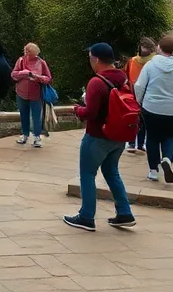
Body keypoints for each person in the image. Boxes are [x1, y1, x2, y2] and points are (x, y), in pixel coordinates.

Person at [64, 43, 135, 232]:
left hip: (97, 136)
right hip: (119, 136)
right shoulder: (123, 77)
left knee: (87, 174)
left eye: (90, 58)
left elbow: (92, 113)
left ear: (96, 60)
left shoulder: (96, 82)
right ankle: (124, 213)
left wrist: (78, 110)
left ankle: (86, 216)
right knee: (112, 172)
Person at [133, 35, 173, 183]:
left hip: (151, 108)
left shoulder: (150, 65)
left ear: (159, 47)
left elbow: (139, 86)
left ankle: (153, 170)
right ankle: (167, 159)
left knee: (152, 137)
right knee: (171, 136)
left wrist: (138, 103)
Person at [10, 43, 52, 147]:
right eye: (25, 51)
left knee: (36, 116)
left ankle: (37, 137)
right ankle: (24, 135)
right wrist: (24, 73)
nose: (26, 53)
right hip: (21, 93)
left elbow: (48, 78)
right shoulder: (21, 60)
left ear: (35, 52)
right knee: (23, 114)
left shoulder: (41, 63)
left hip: (36, 94)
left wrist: (37, 77)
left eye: (29, 51)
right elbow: (13, 75)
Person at [124, 37, 157, 153]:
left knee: (139, 119)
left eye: (147, 47)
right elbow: (126, 76)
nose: (144, 50)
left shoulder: (152, 62)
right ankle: (135, 143)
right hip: (139, 94)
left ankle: (138, 143)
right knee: (137, 118)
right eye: (143, 47)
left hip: (141, 93)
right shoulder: (134, 61)